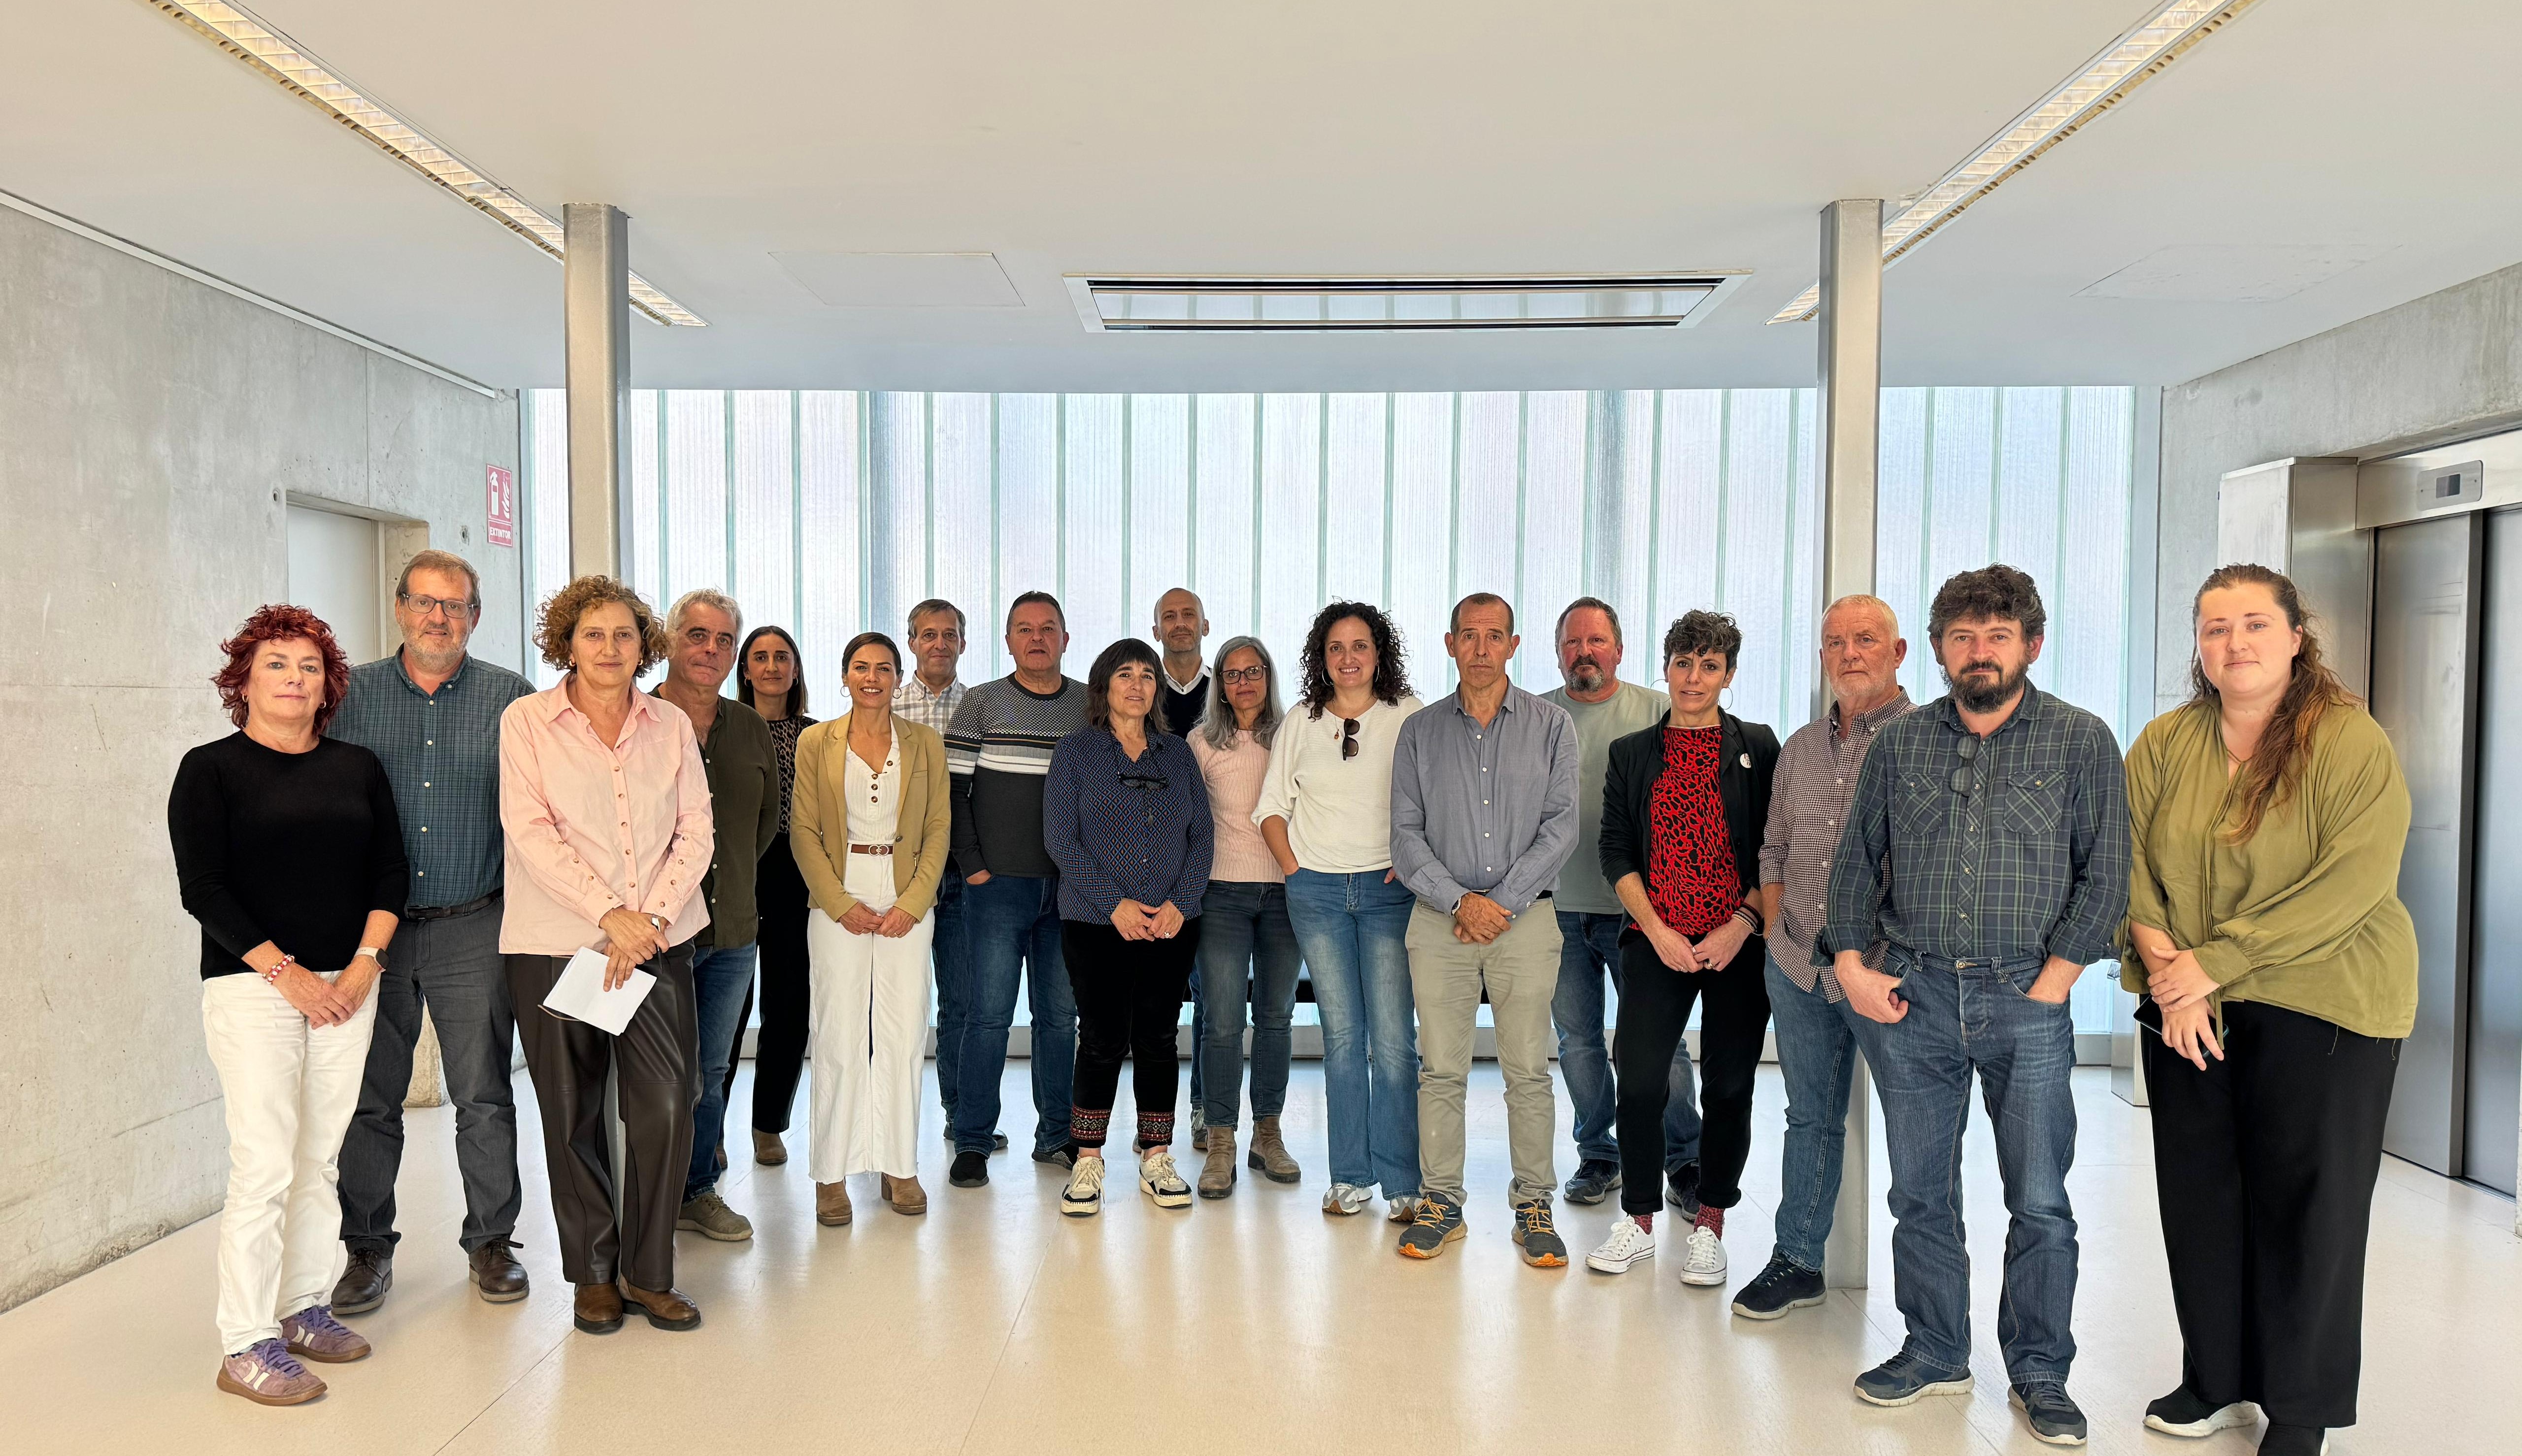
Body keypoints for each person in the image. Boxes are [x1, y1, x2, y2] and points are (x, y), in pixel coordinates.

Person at [1821, 564, 2128, 1445]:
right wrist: (1852, 965)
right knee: (1921, 1192)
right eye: (1962, 637)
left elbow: (2107, 871)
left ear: (2032, 645)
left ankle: (2040, 1371)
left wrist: (2055, 982)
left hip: (2026, 995)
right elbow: (1854, 864)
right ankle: (1934, 1349)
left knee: (2039, 1198)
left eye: (1997, 636)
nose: (1979, 651)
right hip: (1914, 996)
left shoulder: (2080, 740)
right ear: (1939, 650)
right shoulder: (1902, 745)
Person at [2124, 564, 2416, 1456]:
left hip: (2325, 1001)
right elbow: (2127, 863)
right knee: (2201, 1199)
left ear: (2295, 637)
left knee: (2309, 1212)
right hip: (2186, 1001)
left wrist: (2210, 965)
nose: (2235, 642)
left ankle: (2300, 1408)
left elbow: (2354, 882)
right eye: (2216, 627)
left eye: (2255, 623)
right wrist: (2171, 977)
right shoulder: (2165, 742)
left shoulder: (2349, 740)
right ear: (2199, 646)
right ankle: (2215, 1379)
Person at [171, 604, 407, 1405]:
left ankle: (304, 1306)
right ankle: (245, 1344)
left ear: (328, 685)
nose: (295, 678)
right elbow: (204, 890)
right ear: (242, 680)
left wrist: (365, 965)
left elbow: (389, 874)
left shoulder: (356, 767)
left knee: (320, 1158)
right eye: (276, 664)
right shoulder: (210, 769)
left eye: (310, 666)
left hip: (350, 988)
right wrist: (289, 975)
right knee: (266, 1163)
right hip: (254, 989)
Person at [500, 576, 714, 1337]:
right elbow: (531, 830)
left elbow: (697, 830)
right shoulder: (527, 722)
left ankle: (649, 1274)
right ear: (567, 644)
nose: (609, 648)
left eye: (625, 634)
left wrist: (646, 921)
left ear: (644, 647)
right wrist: (608, 915)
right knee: (571, 1113)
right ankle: (594, 1274)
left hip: (657, 942)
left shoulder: (670, 725)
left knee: (667, 1103)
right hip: (556, 945)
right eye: (593, 634)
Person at [330, 551, 533, 1318]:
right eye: (424, 602)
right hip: (370, 936)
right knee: (370, 1099)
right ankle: (367, 1249)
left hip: (472, 923)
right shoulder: (348, 697)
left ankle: (492, 1242)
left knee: (483, 1095)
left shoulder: (512, 701)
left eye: (453, 605)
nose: (437, 618)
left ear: (475, 616)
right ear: (400, 608)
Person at [1733, 594, 1915, 1320]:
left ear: (1898, 653)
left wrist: (1878, 958)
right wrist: (1781, 931)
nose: (1849, 653)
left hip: (1889, 972)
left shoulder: (1927, 740)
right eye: (1835, 642)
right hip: (1797, 965)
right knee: (1809, 1117)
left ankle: (1928, 1304)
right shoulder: (1802, 747)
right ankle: (1798, 1260)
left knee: (1918, 1131)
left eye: (1865, 639)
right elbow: (1774, 846)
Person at [1587, 611, 1779, 1286]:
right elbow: (1615, 851)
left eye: (1709, 665)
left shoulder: (1758, 746)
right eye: (1683, 663)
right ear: (1665, 667)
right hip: (1656, 939)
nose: (1693, 678)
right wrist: (1658, 930)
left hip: (1736, 944)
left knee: (1729, 1085)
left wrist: (1743, 923)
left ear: (1728, 674)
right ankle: (1637, 1221)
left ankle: (1710, 1226)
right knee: (1640, 1080)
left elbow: (1775, 848)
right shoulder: (1632, 753)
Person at [1388, 593, 1579, 1266]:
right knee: (1441, 1070)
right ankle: (1441, 1202)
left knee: (1527, 1071)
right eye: (1468, 635)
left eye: (1493, 635)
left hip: (1525, 922)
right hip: (1440, 923)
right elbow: (1404, 835)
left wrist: (1499, 902)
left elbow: (1562, 827)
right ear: (1449, 644)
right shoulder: (1419, 732)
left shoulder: (1553, 727)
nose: (1480, 648)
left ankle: (1533, 1206)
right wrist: (1460, 902)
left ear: (1513, 645)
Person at [1257, 601, 1424, 1219]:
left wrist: (1412, 859)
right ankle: (1350, 1176)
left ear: (1379, 653)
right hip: (1317, 894)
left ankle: (1403, 1183)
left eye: (1359, 646)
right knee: (1343, 1038)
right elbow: (1271, 806)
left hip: (1388, 892)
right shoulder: (1301, 720)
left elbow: (1433, 798)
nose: (1348, 658)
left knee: (1394, 1040)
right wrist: (1294, 869)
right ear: (1320, 658)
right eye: (1335, 647)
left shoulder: (1408, 714)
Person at [1538, 596, 1703, 1211]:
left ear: (1619, 650)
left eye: (1596, 641)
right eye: (1572, 642)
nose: (1584, 652)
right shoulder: (1533, 715)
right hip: (1555, 907)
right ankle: (1598, 1154)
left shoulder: (1659, 712)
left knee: (1662, 1041)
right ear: (1557, 652)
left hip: (1643, 914)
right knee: (1577, 1040)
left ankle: (1684, 1157)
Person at [1041, 639, 1214, 1215]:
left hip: (1169, 923)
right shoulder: (1075, 751)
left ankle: (1156, 1156)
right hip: (1095, 921)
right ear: (1103, 686)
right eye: (1124, 674)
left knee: (1158, 1037)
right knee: (1101, 1036)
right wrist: (1114, 903)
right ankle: (1087, 1159)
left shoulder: (1177, 753)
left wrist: (1180, 903)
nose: (1136, 685)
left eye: (1146, 675)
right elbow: (1060, 839)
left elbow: (1202, 836)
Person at [792, 633, 951, 1224]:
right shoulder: (816, 741)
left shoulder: (925, 743)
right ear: (844, 676)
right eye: (860, 667)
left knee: (904, 1032)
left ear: (897, 677)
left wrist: (915, 900)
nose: (872, 677)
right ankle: (831, 1173)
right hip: (840, 889)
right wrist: (838, 902)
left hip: (906, 890)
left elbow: (938, 827)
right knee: (836, 1032)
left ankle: (898, 1164)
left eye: (884, 668)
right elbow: (802, 830)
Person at [941, 591, 1087, 1187]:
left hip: (1070, 892)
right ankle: (972, 1140)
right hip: (996, 888)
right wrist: (973, 866)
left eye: (1047, 628)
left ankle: (1056, 1136)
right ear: (1007, 641)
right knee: (987, 1018)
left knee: (1058, 1018)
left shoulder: (1088, 706)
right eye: (1024, 629)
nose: (1036, 638)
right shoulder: (980, 703)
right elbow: (952, 793)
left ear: (1064, 639)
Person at [652, 590, 779, 1244]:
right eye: (697, 635)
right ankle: (646, 1197)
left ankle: (696, 1190)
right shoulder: (637, 718)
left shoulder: (750, 727)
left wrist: (723, 886)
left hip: (731, 931)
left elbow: (764, 823)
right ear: (670, 640)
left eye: (724, 639)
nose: (710, 649)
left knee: (712, 1070)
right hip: (654, 936)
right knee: (655, 1072)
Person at [1189, 635, 1304, 1196]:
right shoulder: (1200, 743)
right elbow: (1187, 823)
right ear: (1219, 684)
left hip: (1286, 893)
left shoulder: (1294, 735)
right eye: (1232, 674)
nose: (1243, 682)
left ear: (1268, 676)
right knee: (1223, 1022)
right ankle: (1220, 1141)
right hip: (1221, 895)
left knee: (1276, 1017)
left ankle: (1267, 1134)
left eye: (1253, 671)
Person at [897, 599, 998, 1151]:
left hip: (961, 872)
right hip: (900, 872)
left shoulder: (981, 706)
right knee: (892, 1000)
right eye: (929, 634)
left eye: (950, 635)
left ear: (963, 642)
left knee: (961, 998)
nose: (940, 644)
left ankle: (959, 1115)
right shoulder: (885, 703)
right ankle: (886, 1119)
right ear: (911, 641)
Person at [734, 625, 815, 1165]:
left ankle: (769, 1125)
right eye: (760, 657)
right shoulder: (727, 727)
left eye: (781, 657)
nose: (770, 667)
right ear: (745, 670)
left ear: (795, 668)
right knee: (728, 1008)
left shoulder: (816, 735)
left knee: (788, 1006)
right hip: (737, 869)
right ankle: (709, 1130)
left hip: (797, 872)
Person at [1151, 586, 1213, 1143]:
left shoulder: (1229, 690)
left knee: (1213, 1001)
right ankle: (1156, 1120)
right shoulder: (1141, 690)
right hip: (1156, 871)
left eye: (1187, 614)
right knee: (1158, 1009)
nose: (1179, 624)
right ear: (1156, 631)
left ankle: (1204, 1111)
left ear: (1204, 626)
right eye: (1168, 617)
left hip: (1219, 870)